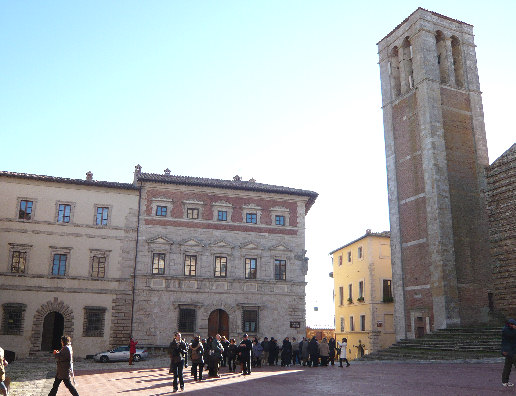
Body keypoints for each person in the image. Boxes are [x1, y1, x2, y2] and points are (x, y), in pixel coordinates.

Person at [502, 319, 516, 386]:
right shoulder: (506, 330)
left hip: (510, 351)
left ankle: (505, 381)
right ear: (510, 324)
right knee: (507, 367)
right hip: (511, 351)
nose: (514, 326)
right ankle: (505, 381)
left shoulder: (508, 329)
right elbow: (511, 336)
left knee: (507, 367)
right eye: (513, 325)